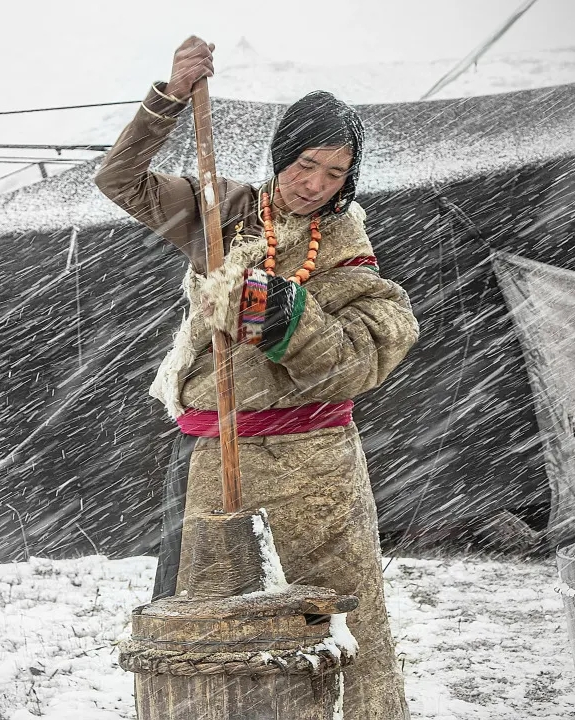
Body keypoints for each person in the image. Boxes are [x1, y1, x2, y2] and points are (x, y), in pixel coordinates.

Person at [95, 35, 418, 720]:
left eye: (336, 174)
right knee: (216, 635)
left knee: (337, 631)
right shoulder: (223, 212)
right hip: (215, 459)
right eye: (307, 165)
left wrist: (289, 316)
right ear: (282, 156)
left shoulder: (345, 246)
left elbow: (359, 361)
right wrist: (170, 99)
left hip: (315, 470)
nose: (316, 185)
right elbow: (118, 181)